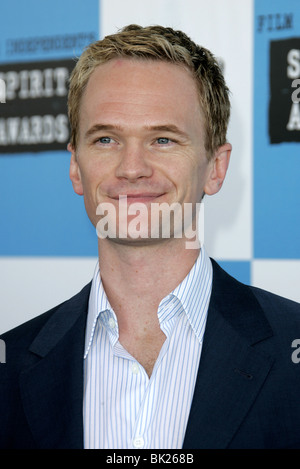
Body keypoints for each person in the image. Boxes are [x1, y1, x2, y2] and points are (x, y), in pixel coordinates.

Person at [1, 24, 300, 450]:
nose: (132, 167)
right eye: (106, 138)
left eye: (162, 139)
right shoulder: (10, 362)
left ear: (215, 167)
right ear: (75, 168)